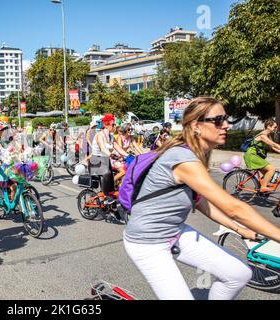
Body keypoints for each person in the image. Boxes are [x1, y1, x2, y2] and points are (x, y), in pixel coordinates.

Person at [123, 97, 280, 300]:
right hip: (147, 242)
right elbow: (235, 208)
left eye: (226, 119)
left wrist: (240, 229)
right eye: (218, 120)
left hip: (174, 232)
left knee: (239, 274)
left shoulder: (195, 155)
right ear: (197, 126)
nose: (226, 125)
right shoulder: (182, 159)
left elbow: (200, 202)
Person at [91, 114, 129, 209]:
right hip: (96, 160)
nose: (114, 126)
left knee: (113, 183)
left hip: (105, 161)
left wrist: (128, 156)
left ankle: (113, 208)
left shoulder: (111, 136)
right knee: (107, 174)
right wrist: (111, 155)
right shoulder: (99, 135)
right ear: (106, 124)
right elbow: (103, 147)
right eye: (113, 125)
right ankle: (106, 197)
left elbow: (118, 148)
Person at [244, 119, 280, 192]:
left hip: (256, 156)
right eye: (275, 127)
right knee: (271, 169)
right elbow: (273, 144)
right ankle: (263, 187)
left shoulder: (268, 135)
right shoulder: (263, 135)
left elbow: (272, 147)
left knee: (268, 173)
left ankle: (262, 187)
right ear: (268, 127)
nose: (276, 129)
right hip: (252, 156)